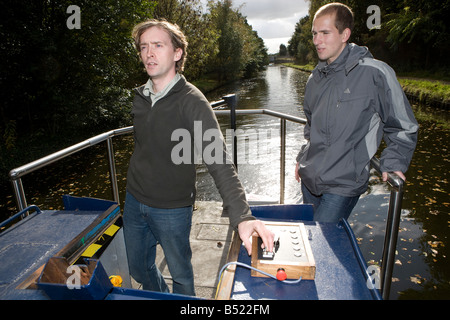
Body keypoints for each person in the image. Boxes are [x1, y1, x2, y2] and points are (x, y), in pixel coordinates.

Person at [122, 19, 274, 296]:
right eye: (144, 47)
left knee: (181, 274)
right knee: (138, 269)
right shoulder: (140, 97)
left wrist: (242, 216)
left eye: (158, 45)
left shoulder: (192, 101)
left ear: (177, 53)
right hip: (134, 200)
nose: (148, 53)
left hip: (171, 207)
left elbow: (219, 161)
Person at [295, 3, 418, 223]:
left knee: (321, 242)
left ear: (345, 34)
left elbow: (402, 125)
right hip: (309, 179)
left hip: (343, 184)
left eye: (325, 33)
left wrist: (395, 162)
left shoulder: (375, 73)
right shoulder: (315, 78)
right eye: (314, 33)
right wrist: (302, 158)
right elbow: (311, 126)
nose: (316, 41)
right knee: (310, 240)